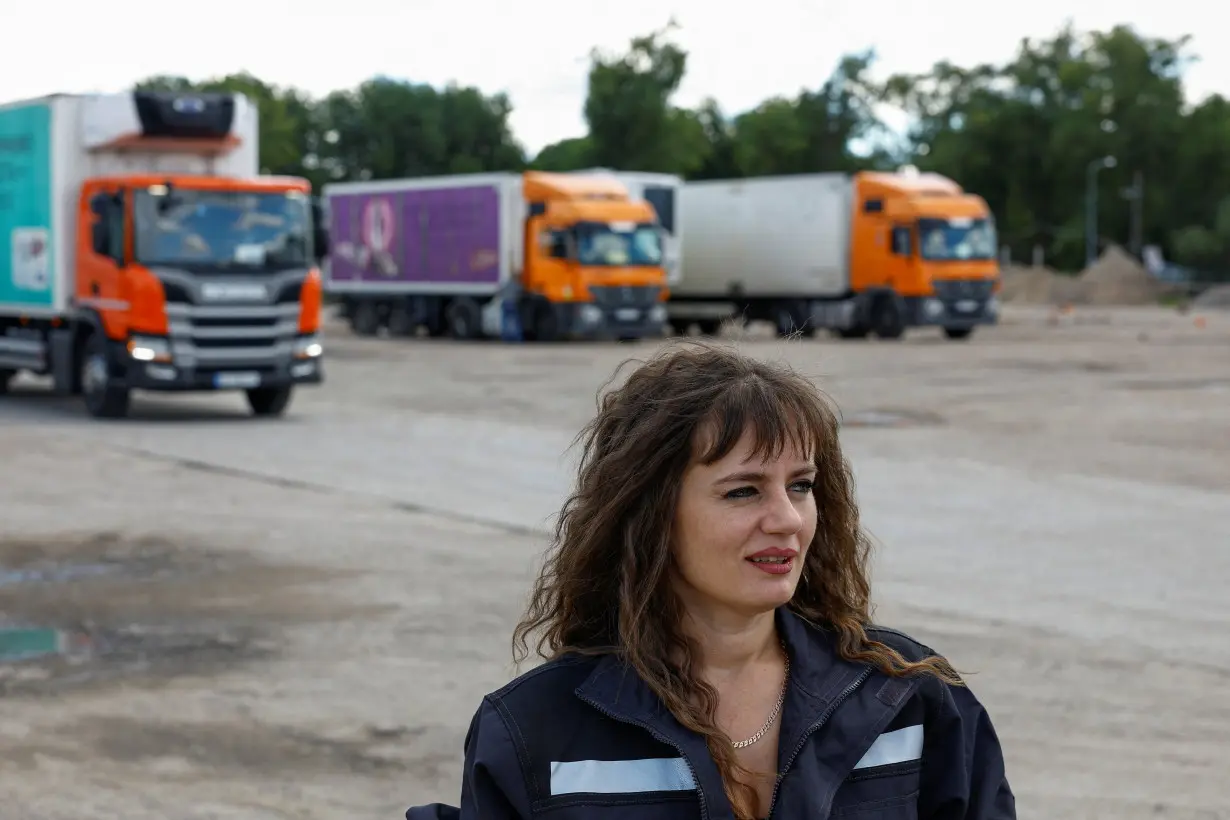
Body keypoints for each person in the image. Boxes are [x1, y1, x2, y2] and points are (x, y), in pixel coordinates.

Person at [407, 341, 1015, 820]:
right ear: (649, 515)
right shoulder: (536, 732)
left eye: (800, 485)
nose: (785, 519)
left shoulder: (905, 697)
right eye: (743, 490)